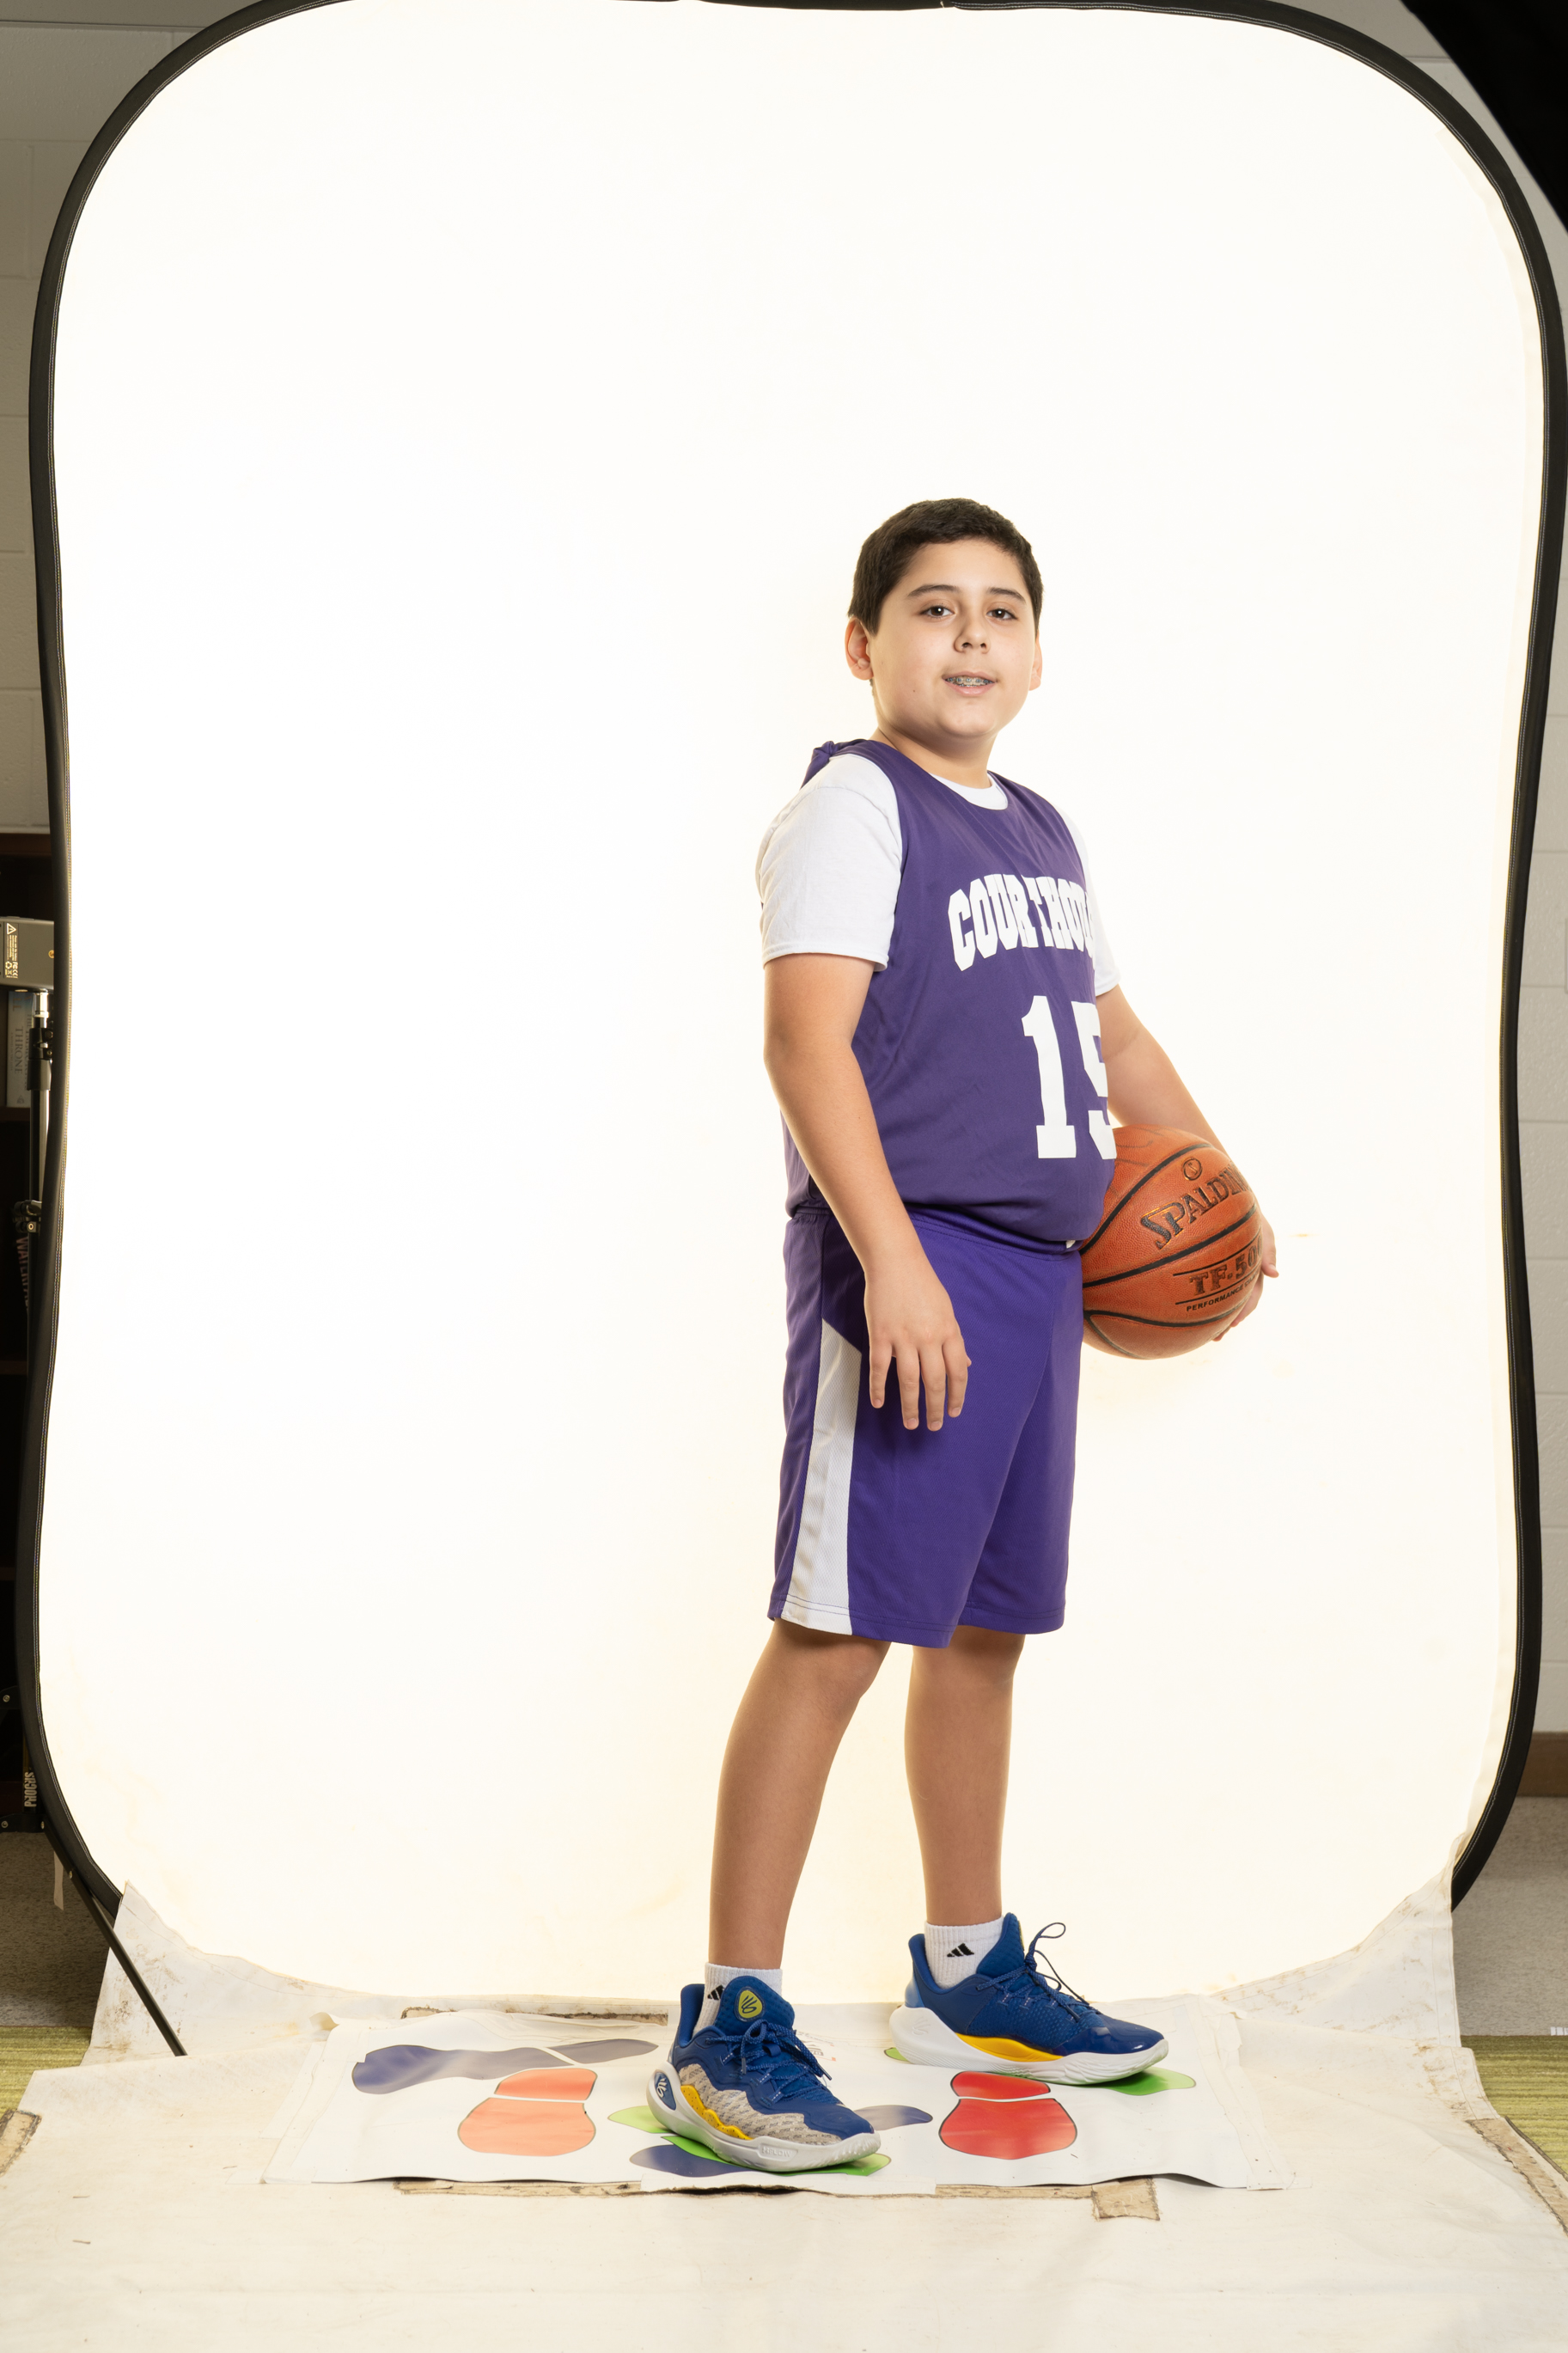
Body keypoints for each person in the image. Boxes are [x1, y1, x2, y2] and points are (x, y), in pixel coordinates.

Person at [645, 497, 1277, 2173]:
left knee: (985, 1631)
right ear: (865, 645)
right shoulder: (856, 806)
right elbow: (805, 1046)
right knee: (835, 1630)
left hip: (1041, 1276)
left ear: (1039, 653)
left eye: (1003, 608)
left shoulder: (1042, 828)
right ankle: (726, 2021)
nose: (973, 634)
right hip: (913, 1267)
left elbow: (1112, 1035)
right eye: (934, 607)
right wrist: (894, 1266)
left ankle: (964, 1969)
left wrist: (1224, 1183)